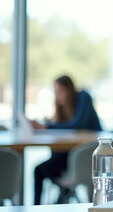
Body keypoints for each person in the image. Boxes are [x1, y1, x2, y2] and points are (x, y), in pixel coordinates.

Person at [32, 75, 102, 204]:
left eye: (60, 92)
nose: (58, 96)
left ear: (69, 89)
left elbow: (76, 125)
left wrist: (47, 127)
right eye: (55, 92)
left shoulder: (84, 97)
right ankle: (62, 196)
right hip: (70, 155)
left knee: (39, 170)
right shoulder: (63, 109)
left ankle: (42, 204)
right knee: (44, 166)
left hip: (87, 157)